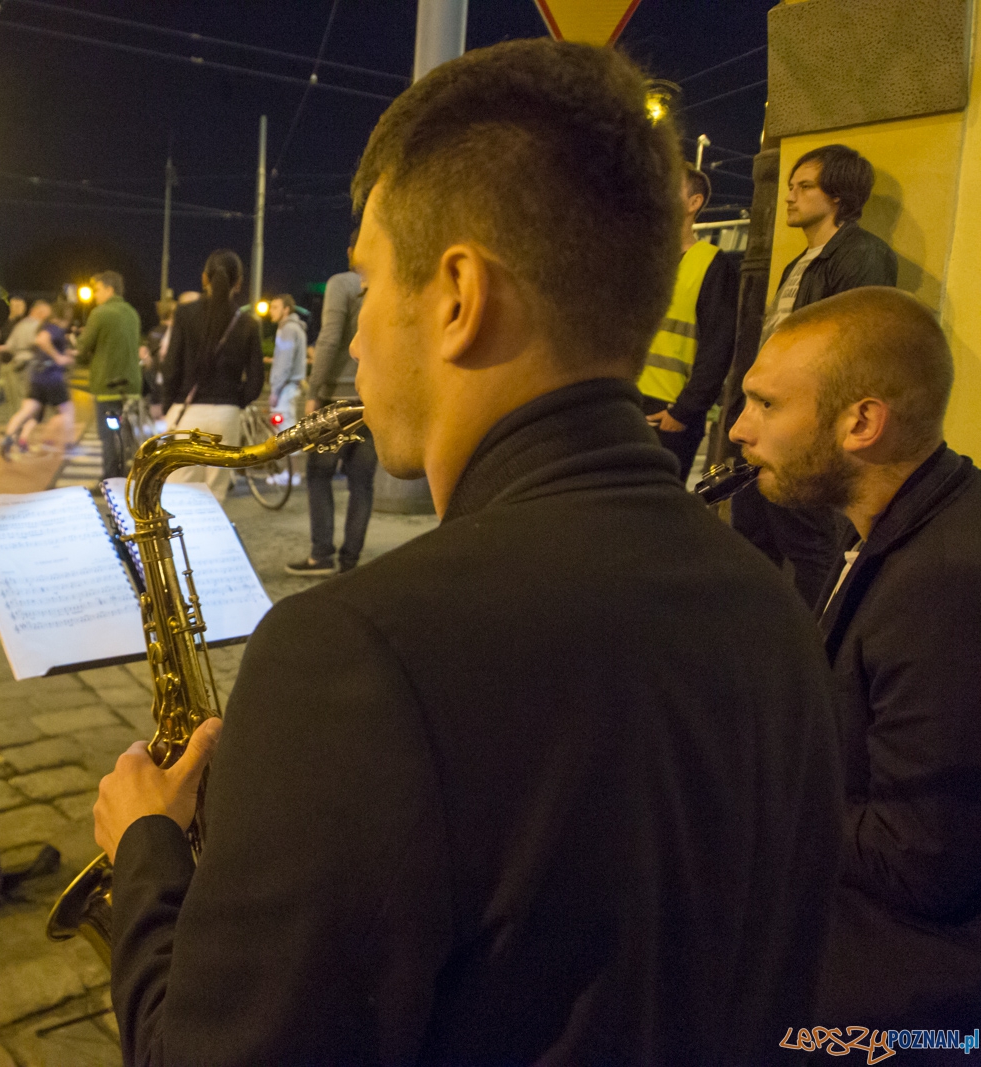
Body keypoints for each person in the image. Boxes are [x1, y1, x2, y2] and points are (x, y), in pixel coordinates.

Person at [93, 39, 842, 1065]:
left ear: (455, 293)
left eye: (367, 281)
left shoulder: (352, 654)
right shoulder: (776, 612)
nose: (352, 343)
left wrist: (145, 852)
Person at [729, 286, 981, 1026]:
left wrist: (753, 780)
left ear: (862, 422)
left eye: (767, 405)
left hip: (924, 995)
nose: (741, 429)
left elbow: (921, 860)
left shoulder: (946, 581)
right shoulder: (893, 523)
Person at [732, 143, 899, 609]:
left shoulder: (862, 257)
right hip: (770, 422)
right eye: (790, 186)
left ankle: (809, 653)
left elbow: (855, 353)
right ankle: (753, 639)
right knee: (752, 532)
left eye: (804, 187)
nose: (790, 196)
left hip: (806, 428)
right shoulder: (800, 261)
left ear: (839, 198)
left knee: (810, 545)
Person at [637, 166, 740, 481]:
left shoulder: (711, 263)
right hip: (626, 401)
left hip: (668, 412)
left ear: (694, 203)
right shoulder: (641, 259)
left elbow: (718, 345)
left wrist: (683, 412)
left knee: (654, 509)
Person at [288, 232, 376, 577]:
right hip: (372, 400)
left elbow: (329, 338)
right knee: (362, 484)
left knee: (318, 474)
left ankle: (321, 554)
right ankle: (350, 564)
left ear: (352, 251)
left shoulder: (342, 283)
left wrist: (314, 391)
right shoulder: (389, 287)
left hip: (337, 398)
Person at [158, 251, 264, 501]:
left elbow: (171, 366)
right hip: (226, 415)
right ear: (238, 282)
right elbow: (256, 380)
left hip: (188, 410)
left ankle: (183, 540)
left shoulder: (185, 314)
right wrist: (236, 401)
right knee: (215, 495)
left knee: (180, 490)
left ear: (204, 278)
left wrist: (168, 404)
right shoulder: (248, 324)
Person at [78, 271, 143, 479]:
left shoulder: (100, 313)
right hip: (131, 386)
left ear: (109, 289)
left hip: (108, 386)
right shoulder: (132, 313)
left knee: (108, 436)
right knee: (125, 434)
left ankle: (110, 478)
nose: (95, 295)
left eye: (97, 290)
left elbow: (83, 348)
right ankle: (127, 474)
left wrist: (80, 352)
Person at [0, 300, 75, 456]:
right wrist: (59, 357)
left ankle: (9, 438)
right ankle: (67, 444)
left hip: (36, 376)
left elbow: (11, 345)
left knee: (28, 411)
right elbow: (42, 340)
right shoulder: (53, 328)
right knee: (67, 412)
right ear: (65, 316)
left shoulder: (39, 325)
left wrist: (67, 355)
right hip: (52, 377)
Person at [0, 297, 45, 431]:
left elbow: (9, 342)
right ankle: (16, 426)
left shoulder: (21, 324)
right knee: (13, 398)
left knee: (20, 398)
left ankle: (18, 428)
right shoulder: (12, 322)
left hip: (18, 365)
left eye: (17, 305)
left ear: (24, 308)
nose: (13, 308)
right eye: (12, 305)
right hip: (12, 364)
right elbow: (3, 341)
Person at [266, 293, 306, 427]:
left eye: (275, 307)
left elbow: (285, 362)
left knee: (284, 434)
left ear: (286, 309)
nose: (271, 311)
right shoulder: (295, 328)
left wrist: (275, 391)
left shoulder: (287, 329)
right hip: (291, 386)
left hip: (285, 389)